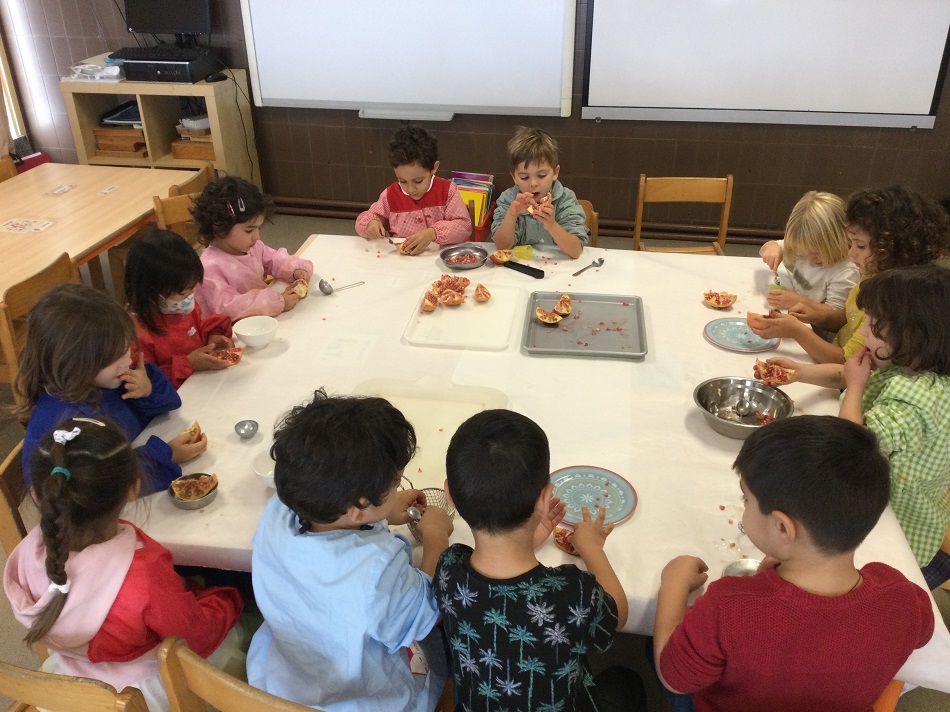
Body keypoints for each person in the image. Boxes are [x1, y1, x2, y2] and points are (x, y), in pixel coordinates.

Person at [654, 416, 934, 712]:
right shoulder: (902, 596)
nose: (744, 506)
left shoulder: (727, 605)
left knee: (652, 647)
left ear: (782, 528)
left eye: (746, 499)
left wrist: (674, 583)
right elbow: (923, 631)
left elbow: (675, 678)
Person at [3, 417, 245, 712]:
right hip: (145, 693)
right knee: (237, 632)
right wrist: (229, 598)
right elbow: (196, 636)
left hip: (70, 683)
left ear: (37, 494)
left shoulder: (25, 555)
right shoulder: (142, 574)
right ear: (134, 488)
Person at [246, 389, 454, 712]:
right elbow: (430, 608)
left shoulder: (280, 511)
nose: (397, 489)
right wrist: (436, 535)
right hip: (360, 697)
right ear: (358, 507)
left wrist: (382, 509)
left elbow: (339, 522)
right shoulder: (376, 572)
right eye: (395, 484)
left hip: (285, 680)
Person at [436, 410, 647, 712]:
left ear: (449, 495)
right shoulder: (574, 591)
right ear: (546, 498)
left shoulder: (448, 569)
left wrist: (527, 540)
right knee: (626, 681)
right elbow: (618, 614)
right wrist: (591, 548)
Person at [761, 265, 950, 588]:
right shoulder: (909, 365)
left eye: (873, 327)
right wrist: (800, 373)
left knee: (870, 586)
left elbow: (851, 443)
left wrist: (857, 387)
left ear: (913, 336)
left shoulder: (919, 400)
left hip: (900, 522)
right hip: (879, 492)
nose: (862, 333)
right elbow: (847, 372)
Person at [14, 284, 203, 491]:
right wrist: (165, 455)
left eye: (126, 349)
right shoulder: (64, 421)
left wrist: (148, 390)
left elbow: (169, 406)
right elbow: (98, 484)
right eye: (114, 358)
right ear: (73, 364)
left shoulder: (107, 378)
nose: (127, 361)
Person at [749, 185, 950, 363]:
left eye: (860, 245)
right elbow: (847, 319)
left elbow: (846, 361)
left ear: (893, 248)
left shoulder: (890, 304)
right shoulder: (869, 276)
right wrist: (816, 314)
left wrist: (797, 330)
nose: (851, 253)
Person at [125, 228, 234, 389]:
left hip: (203, 383)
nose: (190, 297)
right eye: (183, 293)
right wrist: (188, 363)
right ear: (150, 291)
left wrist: (212, 337)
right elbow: (148, 384)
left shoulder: (179, 307)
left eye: (193, 288)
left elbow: (197, 332)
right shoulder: (138, 335)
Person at [192, 176, 313, 319]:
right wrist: (278, 302)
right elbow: (228, 308)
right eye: (249, 230)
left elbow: (274, 259)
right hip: (230, 329)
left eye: (258, 228)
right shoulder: (209, 268)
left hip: (260, 320)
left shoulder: (250, 246)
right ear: (219, 226)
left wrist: (295, 269)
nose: (257, 237)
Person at [758, 191, 859, 341]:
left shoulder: (847, 270)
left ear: (839, 239)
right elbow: (769, 247)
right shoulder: (806, 246)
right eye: (804, 252)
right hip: (797, 319)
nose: (809, 258)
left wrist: (797, 301)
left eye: (816, 253)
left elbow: (836, 316)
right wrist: (772, 248)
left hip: (820, 334)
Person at [355, 126, 471, 255]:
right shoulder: (390, 195)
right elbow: (364, 219)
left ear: (434, 168)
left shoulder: (447, 191)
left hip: (438, 259)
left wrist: (433, 233)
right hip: (401, 262)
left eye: (418, 181)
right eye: (402, 181)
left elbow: (464, 227)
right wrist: (370, 224)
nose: (410, 189)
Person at [491, 126, 589, 259]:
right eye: (524, 177)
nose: (533, 183)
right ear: (514, 177)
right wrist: (512, 215)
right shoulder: (508, 199)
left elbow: (575, 250)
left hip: (558, 266)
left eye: (541, 175)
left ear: (555, 172)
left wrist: (552, 226)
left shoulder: (565, 199)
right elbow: (502, 246)